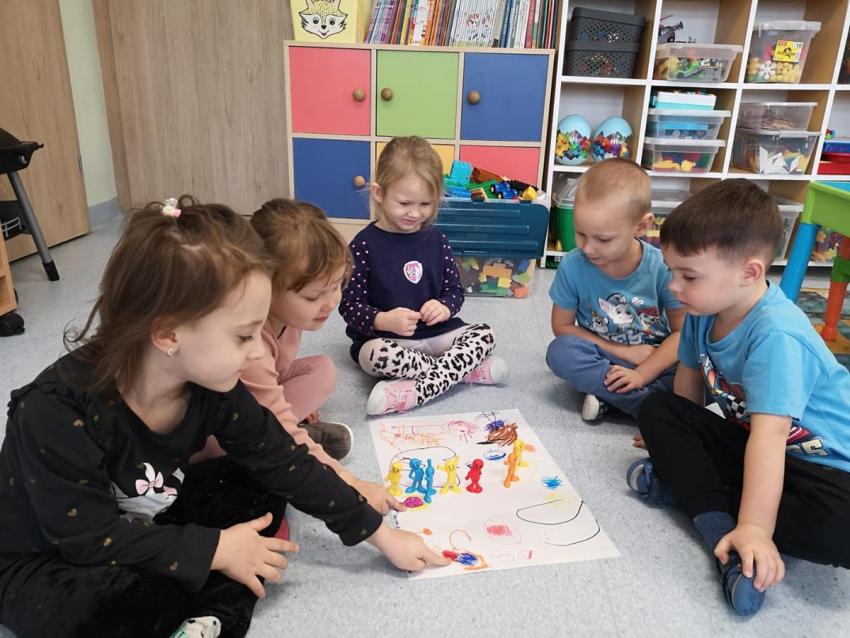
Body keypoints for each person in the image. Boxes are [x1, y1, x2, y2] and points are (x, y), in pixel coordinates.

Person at [0, 197, 447, 638]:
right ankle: (209, 597)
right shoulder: (55, 411)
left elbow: (284, 460)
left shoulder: (211, 384)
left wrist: (383, 537)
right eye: (243, 336)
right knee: (100, 607)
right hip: (57, 558)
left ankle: (210, 612)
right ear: (168, 333)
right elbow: (89, 539)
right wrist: (214, 548)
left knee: (259, 483)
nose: (257, 352)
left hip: (151, 519)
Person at [627, 180, 850, 616]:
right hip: (755, 450)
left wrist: (755, 528)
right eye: (672, 271)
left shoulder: (776, 336)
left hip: (825, 470)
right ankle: (720, 526)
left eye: (689, 276)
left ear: (749, 272)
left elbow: (771, 438)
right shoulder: (702, 310)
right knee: (658, 409)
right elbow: (688, 390)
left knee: (840, 530)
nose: (674, 286)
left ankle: (714, 510)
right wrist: (683, 441)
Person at [245, 198, 401, 513]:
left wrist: (287, 402)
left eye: (337, 286)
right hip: (220, 433)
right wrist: (350, 482)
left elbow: (275, 372)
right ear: (265, 285)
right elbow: (263, 407)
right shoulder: (250, 343)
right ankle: (293, 443)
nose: (331, 303)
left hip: (256, 394)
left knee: (323, 369)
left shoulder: (289, 314)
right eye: (314, 295)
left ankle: (294, 436)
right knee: (263, 442)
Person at [339, 136, 508, 416]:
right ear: (379, 193)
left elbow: (454, 291)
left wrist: (444, 307)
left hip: (438, 334)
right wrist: (383, 319)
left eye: (425, 204)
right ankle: (464, 372)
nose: (415, 213)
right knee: (373, 356)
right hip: (392, 341)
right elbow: (349, 306)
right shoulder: (363, 245)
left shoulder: (437, 240)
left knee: (485, 334)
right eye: (404, 203)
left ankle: (415, 391)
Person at [546, 159, 684, 422]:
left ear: (641, 226)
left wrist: (643, 372)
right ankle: (651, 409)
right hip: (603, 356)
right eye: (580, 233)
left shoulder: (661, 267)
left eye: (603, 239)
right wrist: (622, 352)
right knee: (561, 352)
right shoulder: (573, 265)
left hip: (652, 357)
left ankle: (610, 399)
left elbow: (682, 333)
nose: (588, 248)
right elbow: (562, 327)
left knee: (700, 367)